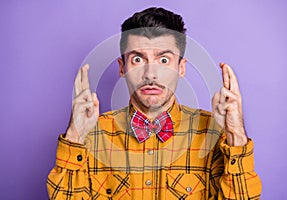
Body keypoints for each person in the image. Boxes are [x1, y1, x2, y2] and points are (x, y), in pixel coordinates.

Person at [47, 7, 262, 200]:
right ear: (122, 68)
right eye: (138, 59)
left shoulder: (214, 134)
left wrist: (235, 135)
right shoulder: (91, 135)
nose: (151, 74)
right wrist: (75, 135)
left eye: (164, 60)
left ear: (181, 68)